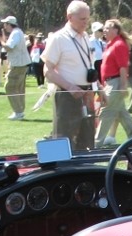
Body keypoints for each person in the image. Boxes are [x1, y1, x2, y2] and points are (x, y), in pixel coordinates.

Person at [43, 1, 96, 151]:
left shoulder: (86, 37)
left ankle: (85, 171)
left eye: (87, 19)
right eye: (82, 19)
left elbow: (89, 67)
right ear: (70, 17)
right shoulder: (58, 38)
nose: (85, 23)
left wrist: (99, 89)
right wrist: (70, 87)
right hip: (67, 96)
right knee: (64, 139)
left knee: (87, 140)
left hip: (87, 94)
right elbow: (48, 70)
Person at [95, 19, 132, 145]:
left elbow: (123, 67)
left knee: (106, 111)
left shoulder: (119, 45)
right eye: (104, 28)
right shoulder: (110, 44)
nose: (105, 30)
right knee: (121, 113)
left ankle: (97, 142)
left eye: (108, 28)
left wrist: (123, 85)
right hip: (110, 82)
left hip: (115, 82)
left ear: (116, 30)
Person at [1, 15, 31, 120]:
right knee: (19, 88)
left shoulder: (15, 33)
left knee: (9, 87)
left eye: (5, 24)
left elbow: (9, 47)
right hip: (21, 63)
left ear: (9, 24)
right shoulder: (18, 32)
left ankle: (18, 112)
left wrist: (0, 39)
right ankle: (20, 111)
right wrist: (3, 35)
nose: (4, 26)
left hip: (18, 64)